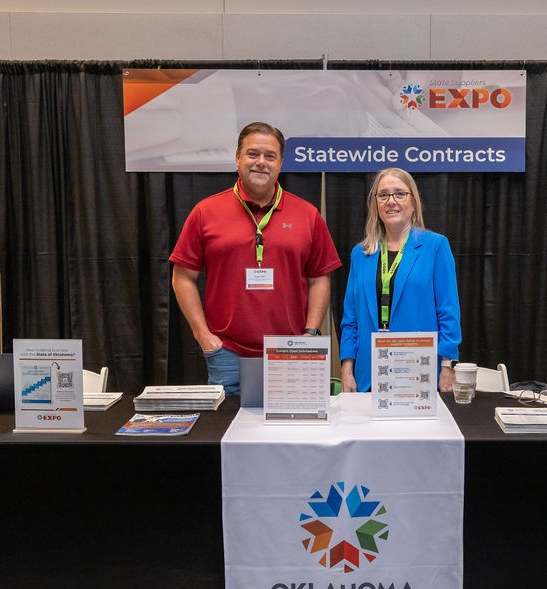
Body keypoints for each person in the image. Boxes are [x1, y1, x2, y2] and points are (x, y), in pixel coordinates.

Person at [169, 122, 342, 395]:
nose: (261, 162)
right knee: (225, 434)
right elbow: (182, 278)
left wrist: (310, 335)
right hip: (227, 353)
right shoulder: (206, 211)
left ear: (281, 163)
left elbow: (319, 278)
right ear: (237, 157)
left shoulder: (307, 214)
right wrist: (203, 336)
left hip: (290, 352)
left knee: (291, 435)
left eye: (270, 156)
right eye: (253, 154)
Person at [339, 168, 462, 393]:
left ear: (413, 202)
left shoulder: (435, 246)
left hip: (417, 372)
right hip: (369, 374)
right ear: (375, 203)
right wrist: (347, 368)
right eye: (383, 195)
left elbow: (448, 311)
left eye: (399, 194)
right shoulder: (361, 253)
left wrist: (447, 365)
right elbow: (351, 318)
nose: (391, 201)